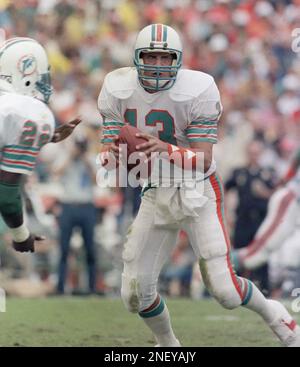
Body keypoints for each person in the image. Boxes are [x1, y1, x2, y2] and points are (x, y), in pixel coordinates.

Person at [98, 24, 300, 347]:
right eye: (150, 56)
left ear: (177, 60)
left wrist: (165, 149)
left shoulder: (197, 89)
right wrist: (111, 158)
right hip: (155, 190)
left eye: (165, 58)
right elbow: (112, 157)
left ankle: (279, 319)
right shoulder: (117, 88)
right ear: (137, 58)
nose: (157, 65)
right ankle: (169, 347)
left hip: (198, 191)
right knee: (134, 293)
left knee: (226, 291)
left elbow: (204, 160)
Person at [0, 37, 80, 254]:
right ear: (25, 74)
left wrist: (48, 137)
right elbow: (6, 195)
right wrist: (21, 235)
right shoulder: (29, 111)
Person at [53, 138, 97, 294]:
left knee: (90, 249)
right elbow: (56, 173)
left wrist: (86, 160)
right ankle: (60, 288)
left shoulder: (91, 158)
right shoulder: (66, 157)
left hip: (87, 206)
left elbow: (96, 180)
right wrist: (70, 157)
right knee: (64, 248)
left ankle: (92, 288)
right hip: (68, 205)